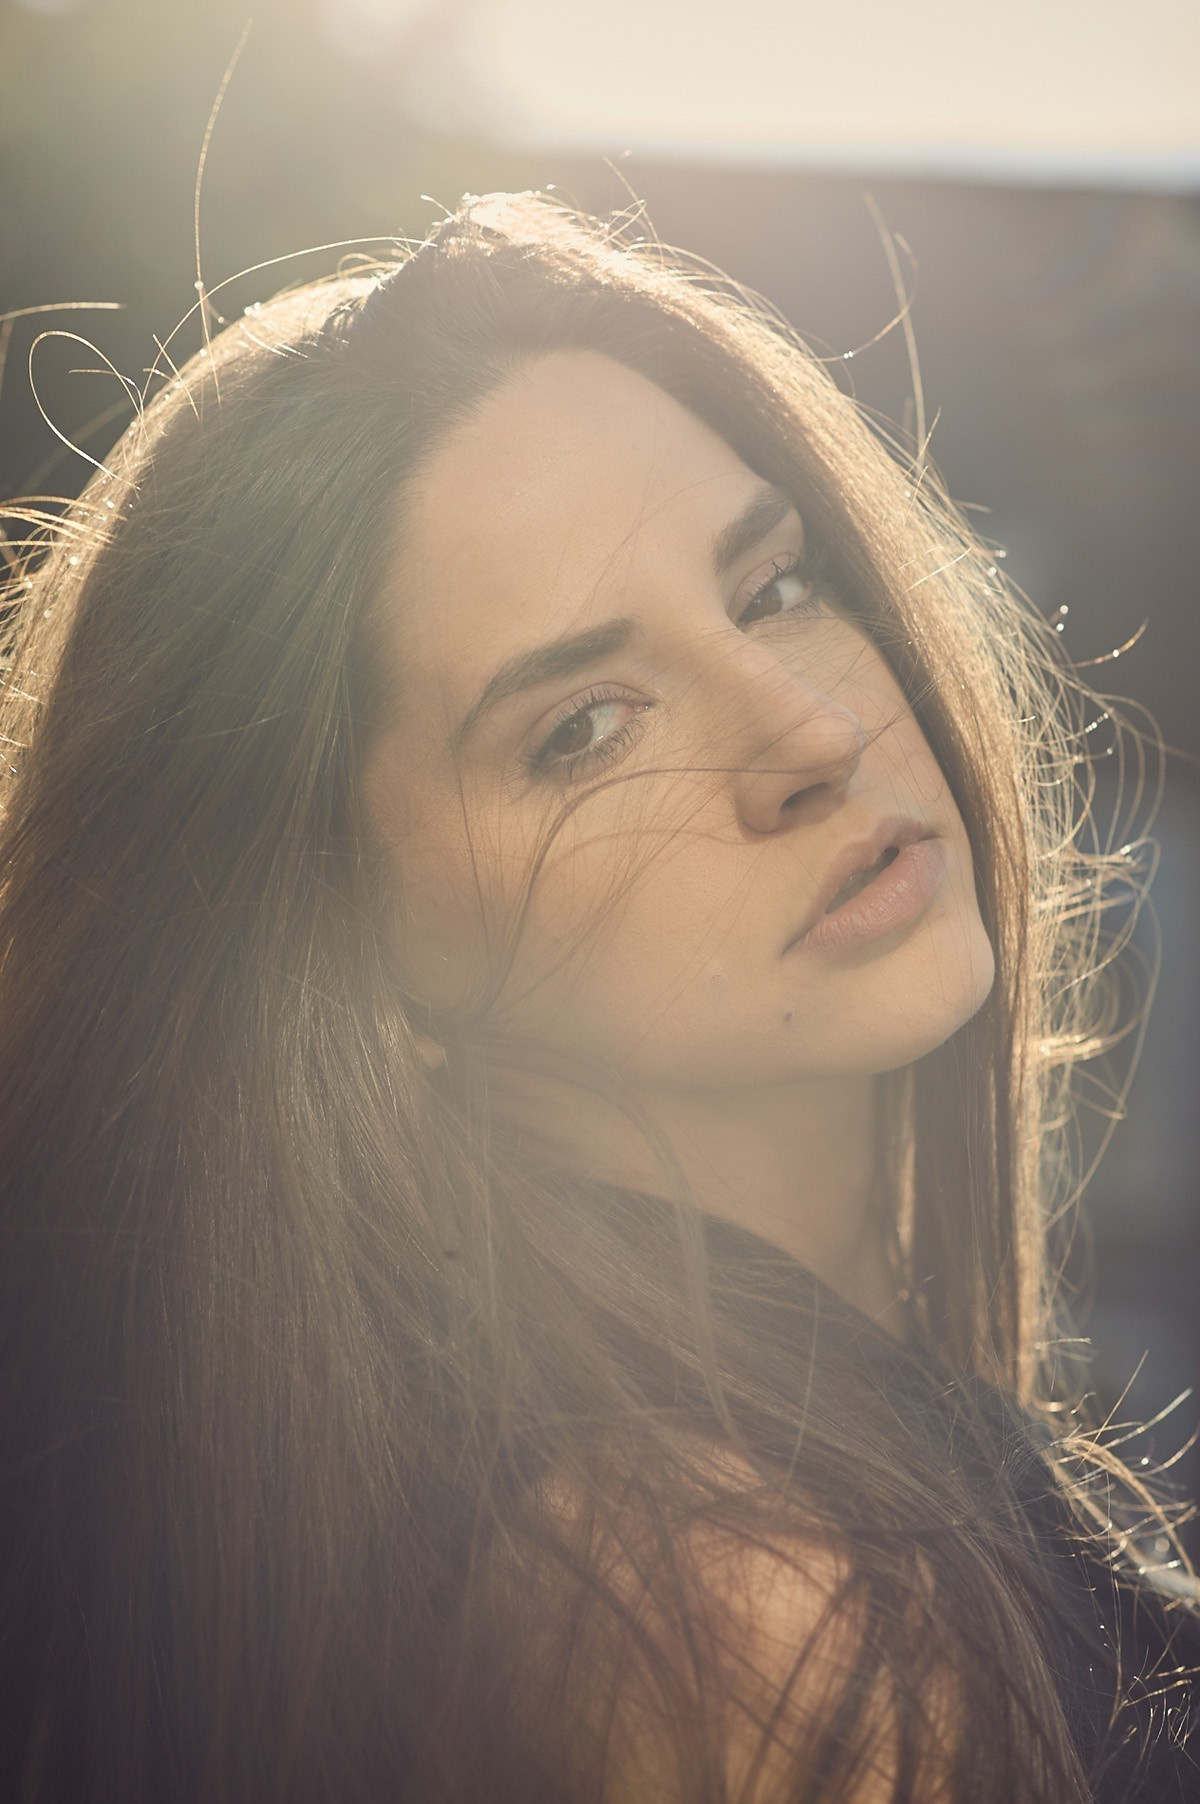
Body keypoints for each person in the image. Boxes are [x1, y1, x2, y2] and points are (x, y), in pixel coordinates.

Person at [0, 190, 1196, 1804]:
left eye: (775, 589)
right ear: (358, 958)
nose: (812, 735)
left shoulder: (765, 1500)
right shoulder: (739, 1618)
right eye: (583, 730)